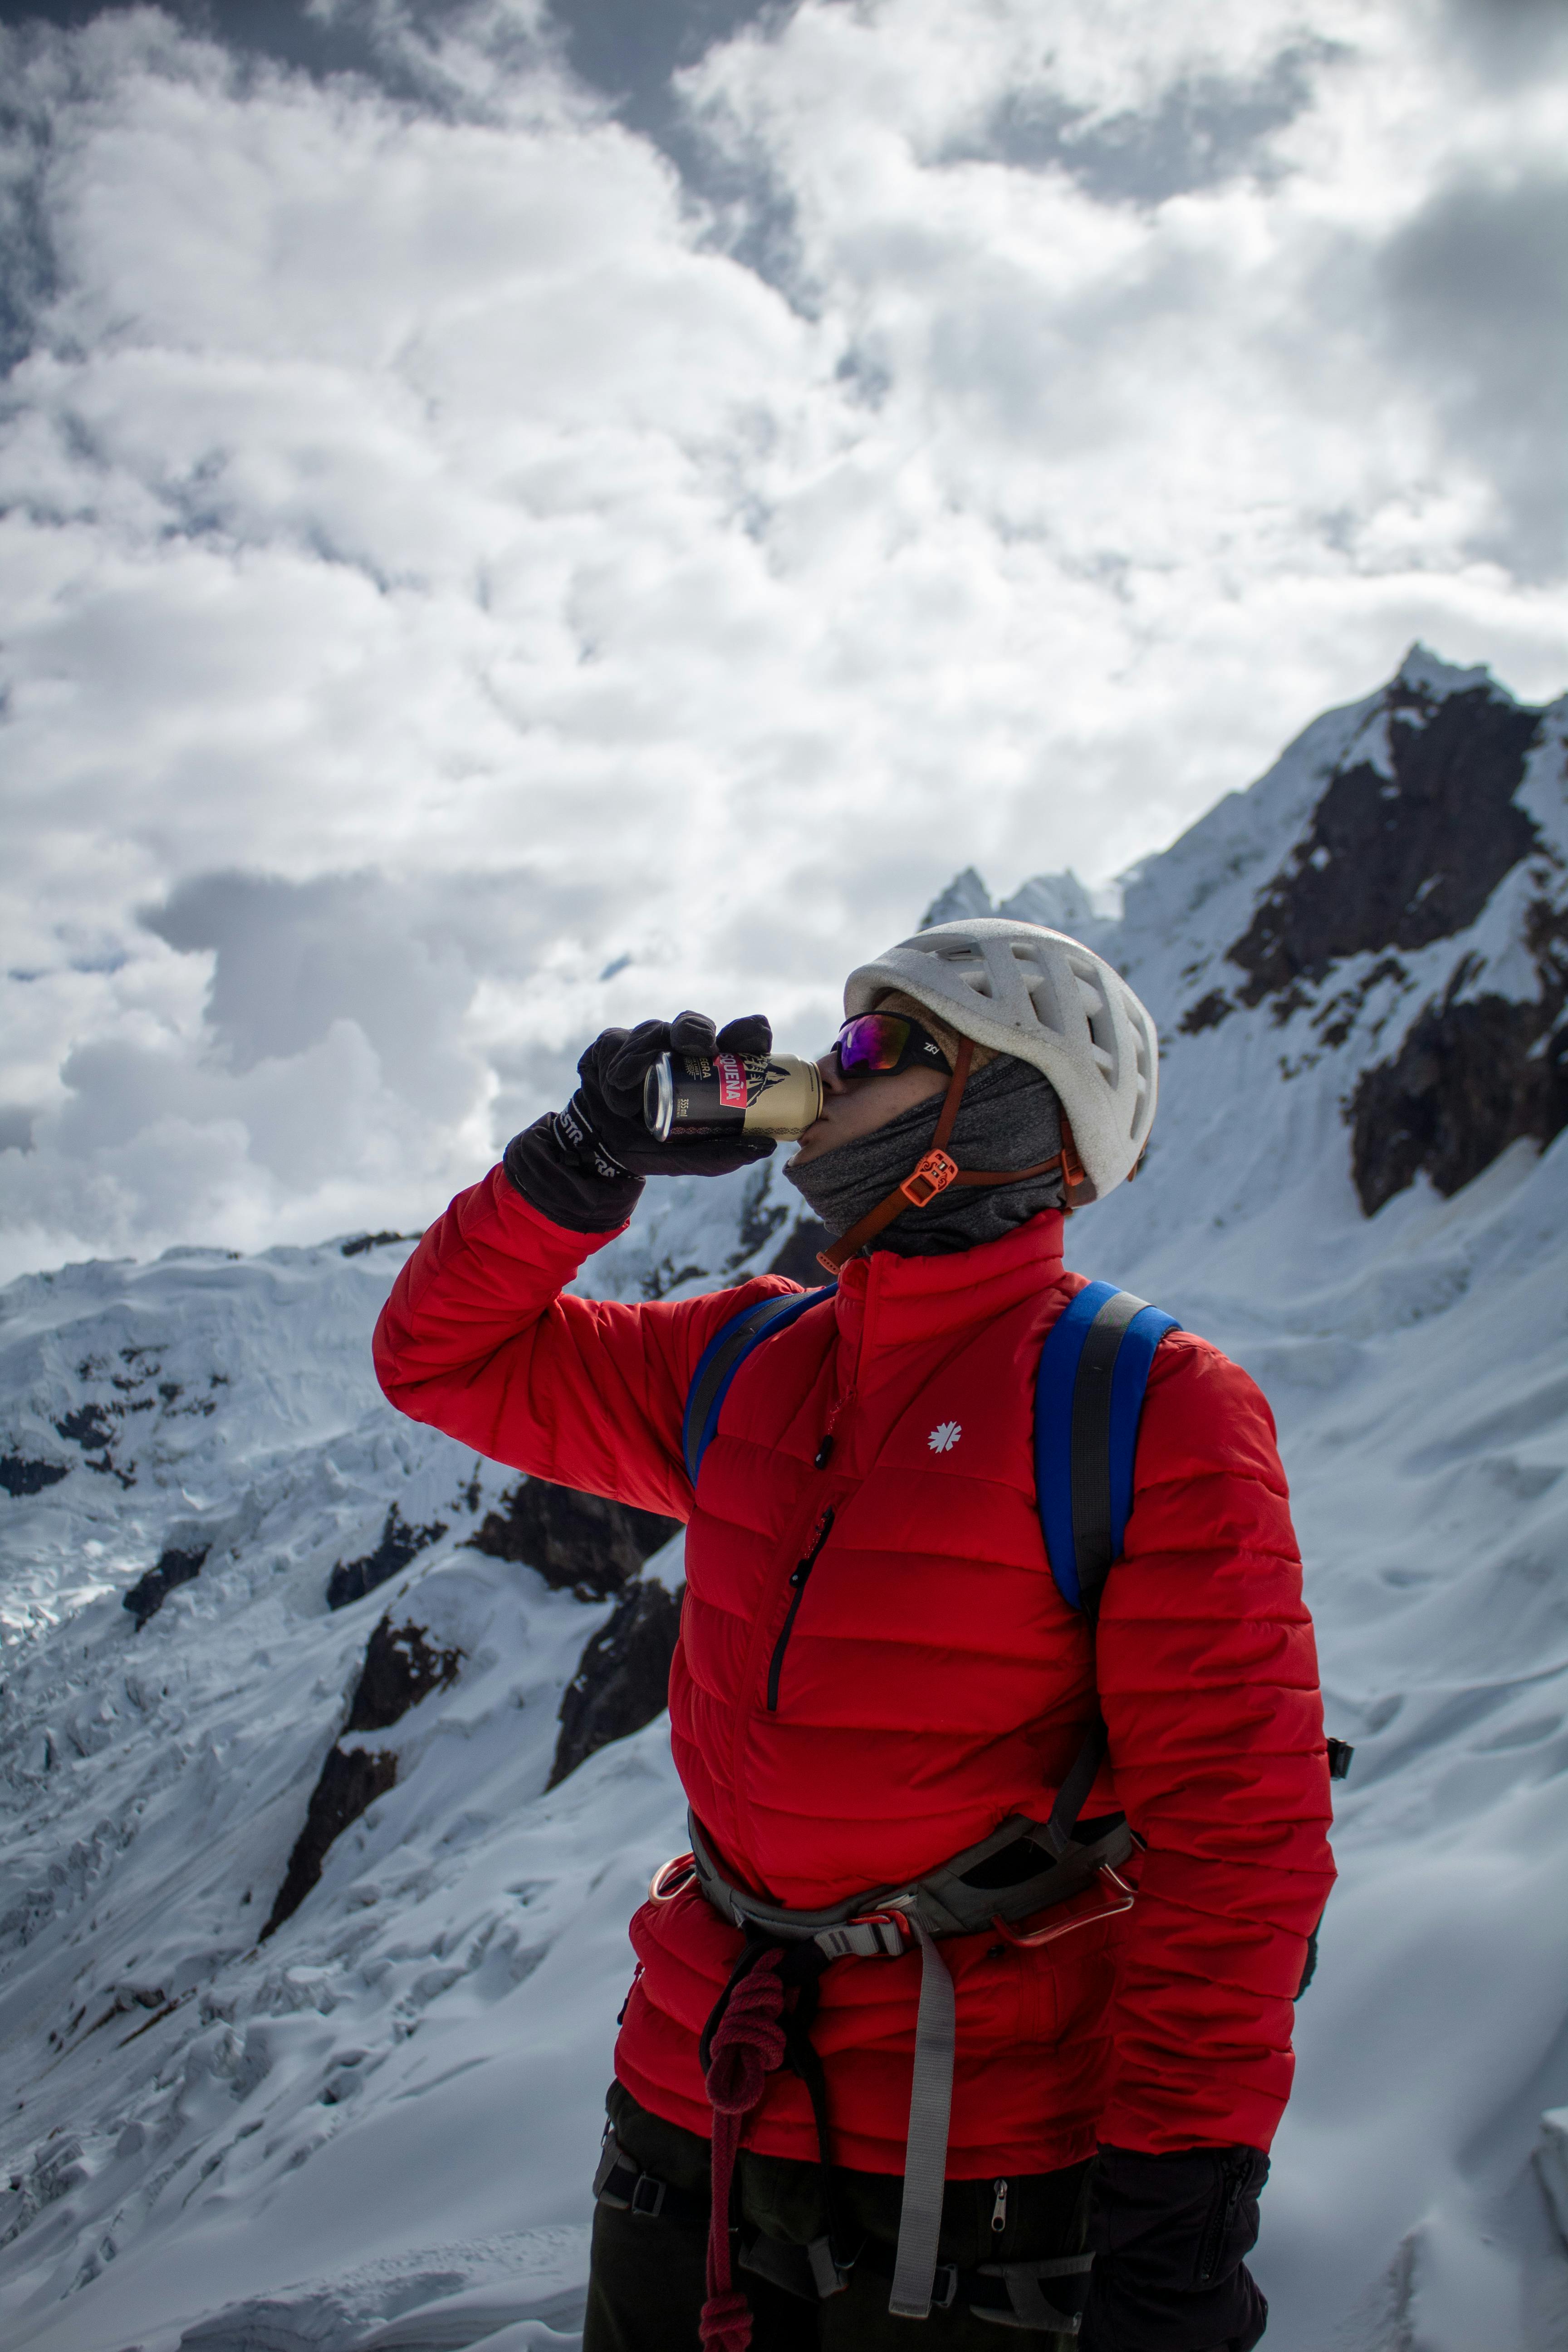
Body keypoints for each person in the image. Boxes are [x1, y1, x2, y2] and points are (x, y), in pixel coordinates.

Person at [374, 916, 1335, 2352]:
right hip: (693, 2097)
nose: (827, 1072)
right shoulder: (754, 1354)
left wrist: (1181, 2220)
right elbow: (440, 1356)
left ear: (1003, 1109)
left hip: (975, 2164)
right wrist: (584, 1158)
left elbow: (1241, 1841)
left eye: (884, 1047)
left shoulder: (1151, 1404)